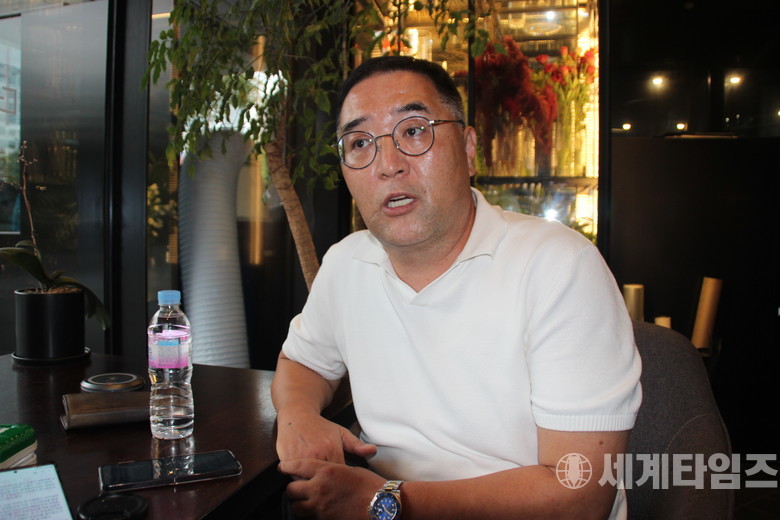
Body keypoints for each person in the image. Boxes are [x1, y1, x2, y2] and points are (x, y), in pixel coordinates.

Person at [271, 55, 642, 520]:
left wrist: (387, 501)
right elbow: (302, 362)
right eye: (360, 142)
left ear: (468, 149)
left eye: (413, 131)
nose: (388, 165)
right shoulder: (348, 262)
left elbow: (581, 495)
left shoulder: (558, 267)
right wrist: (300, 415)